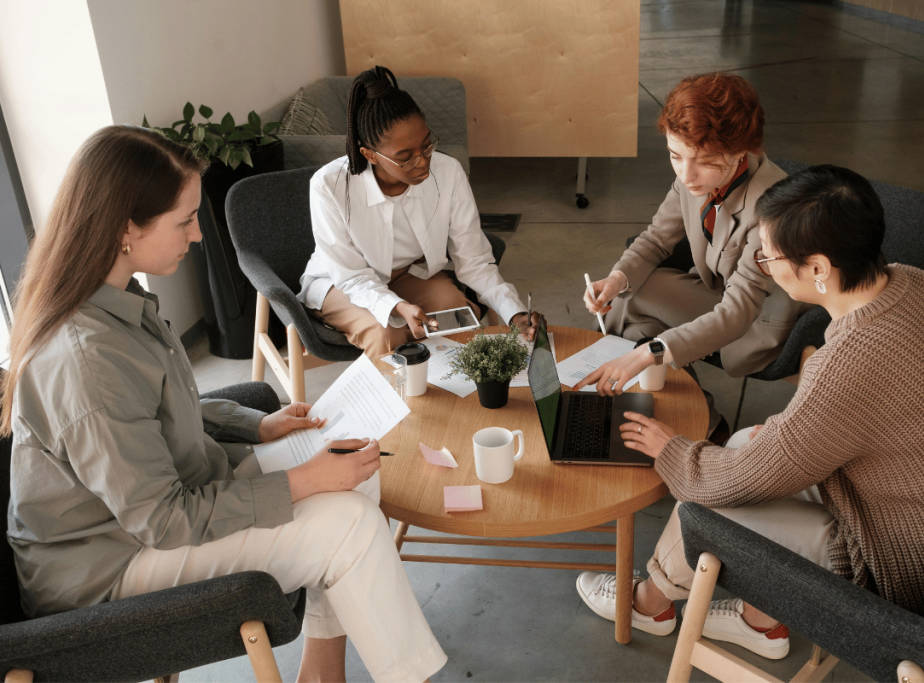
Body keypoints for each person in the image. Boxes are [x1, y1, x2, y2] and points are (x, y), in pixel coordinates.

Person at [2, 125, 447, 683]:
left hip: (151, 513)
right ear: (126, 229)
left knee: (353, 473)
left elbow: (153, 412)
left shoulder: (116, 301)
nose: (196, 236)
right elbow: (164, 520)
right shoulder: (86, 359)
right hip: (109, 565)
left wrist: (255, 425)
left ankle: (320, 674)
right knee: (349, 523)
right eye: (185, 220)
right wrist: (303, 481)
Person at [576, 165, 924, 660]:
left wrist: (669, 450)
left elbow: (737, 479)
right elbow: (853, 419)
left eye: (769, 256)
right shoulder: (913, 284)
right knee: (742, 443)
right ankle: (761, 623)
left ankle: (647, 604)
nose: (764, 265)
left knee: (704, 506)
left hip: (915, 572)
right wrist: (780, 440)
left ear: (819, 269)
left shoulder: (852, 360)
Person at [577, 72, 810, 440]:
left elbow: (738, 311)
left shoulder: (772, 208)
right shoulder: (697, 176)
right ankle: (702, 420)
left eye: (704, 161)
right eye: (675, 155)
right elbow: (656, 238)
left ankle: (593, 395)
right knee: (630, 307)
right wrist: (617, 279)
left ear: (740, 153)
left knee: (632, 321)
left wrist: (649, 353)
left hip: (757, 321)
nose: (687, 175)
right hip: (721, 296)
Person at [298, 66, 541, 358]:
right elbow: (350, 276)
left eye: (426, 146)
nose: (423, 162)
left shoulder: (448, 172)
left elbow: (474, 261)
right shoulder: (330, 186)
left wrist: (514, 312)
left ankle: (457, 388)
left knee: (458, 316)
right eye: (405, 157)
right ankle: (400, 390)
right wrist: (396, 306)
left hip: (410, 274)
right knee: (387, 332)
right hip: (342, 283)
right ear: (370, 155)